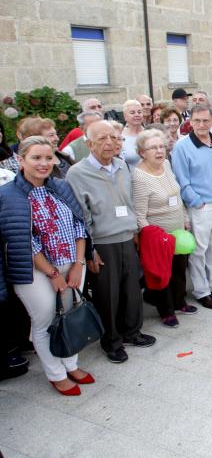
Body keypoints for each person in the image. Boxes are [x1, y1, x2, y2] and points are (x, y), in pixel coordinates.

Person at [0, 136, 94, 395]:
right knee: (44, 322)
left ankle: (70, 364)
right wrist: (52, 273)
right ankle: (56, 374)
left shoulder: (61, 187)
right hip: (34, 271)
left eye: (48, 157)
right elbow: (24, 240)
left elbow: (79, 225)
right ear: (21, 160)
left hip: (71, 263)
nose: (44, 163)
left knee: (69, 316)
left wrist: (77, 264)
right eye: (36, 158)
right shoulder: (8, 195)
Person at [66, 121, 156, 363]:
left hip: (127, 236)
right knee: (108, 295)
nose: (110, 143)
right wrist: (89, 250)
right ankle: (112, 341)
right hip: (103, 243)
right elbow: (80, 215)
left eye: (114, 138)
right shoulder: (77, 173)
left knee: (131, 290)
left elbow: (129, 203)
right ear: (88, 144)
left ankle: (132, 332)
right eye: (102, 139)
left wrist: (136, 231)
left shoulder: (121, 165)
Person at [171, 106, 212, 310]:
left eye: (205, 121)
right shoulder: (182, 146)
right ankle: (202, 291)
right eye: (197, 121)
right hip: (201, 205)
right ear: (190, 121)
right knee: (199, 249)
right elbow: (182, 179)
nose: (201, 125)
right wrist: (196, 201)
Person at [132, 129, 195, 328]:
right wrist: (150, 236)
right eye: (153, 148)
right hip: (158, 236)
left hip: (177, 230)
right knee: (161, 274)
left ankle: (179, 301)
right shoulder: (139, 177)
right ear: (142, 152)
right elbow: (139, 215)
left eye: (161, 146)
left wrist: (185, 218)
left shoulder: (166, 164)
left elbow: (176, 196)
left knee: (179, 269)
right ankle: (166, 310)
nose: (159, 151)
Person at [120, 99, 145, 166]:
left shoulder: (148, 133)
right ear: (125, 116)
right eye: (132, 113)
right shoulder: (120, 136)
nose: (137, 115)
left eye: (139, 112)